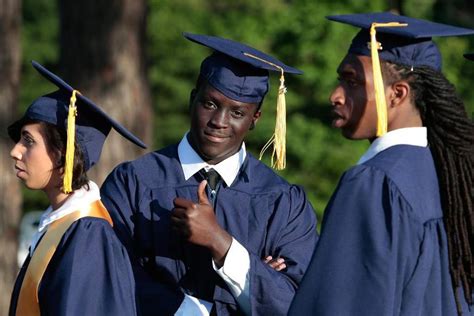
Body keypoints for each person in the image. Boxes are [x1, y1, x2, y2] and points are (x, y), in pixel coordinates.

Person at [100, 33, 318, 315]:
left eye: (237, 113)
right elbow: (109, 274)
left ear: (255, 119)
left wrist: (222, 244)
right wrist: (257, 278)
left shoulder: (283, 202)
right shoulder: (133, 183)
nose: (219, 122)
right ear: (193, 100)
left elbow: (298, 302)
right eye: (210, 104)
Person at [289, 12, 474, 316]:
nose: (335, 95)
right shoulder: (452, 175)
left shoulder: (374, 183)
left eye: (352, 82)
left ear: (397, 94)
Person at [8, 61, 147, 316]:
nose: (15, 151)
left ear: (63, 154)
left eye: (28, 141)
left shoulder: (89, 235)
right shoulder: (61, 224)